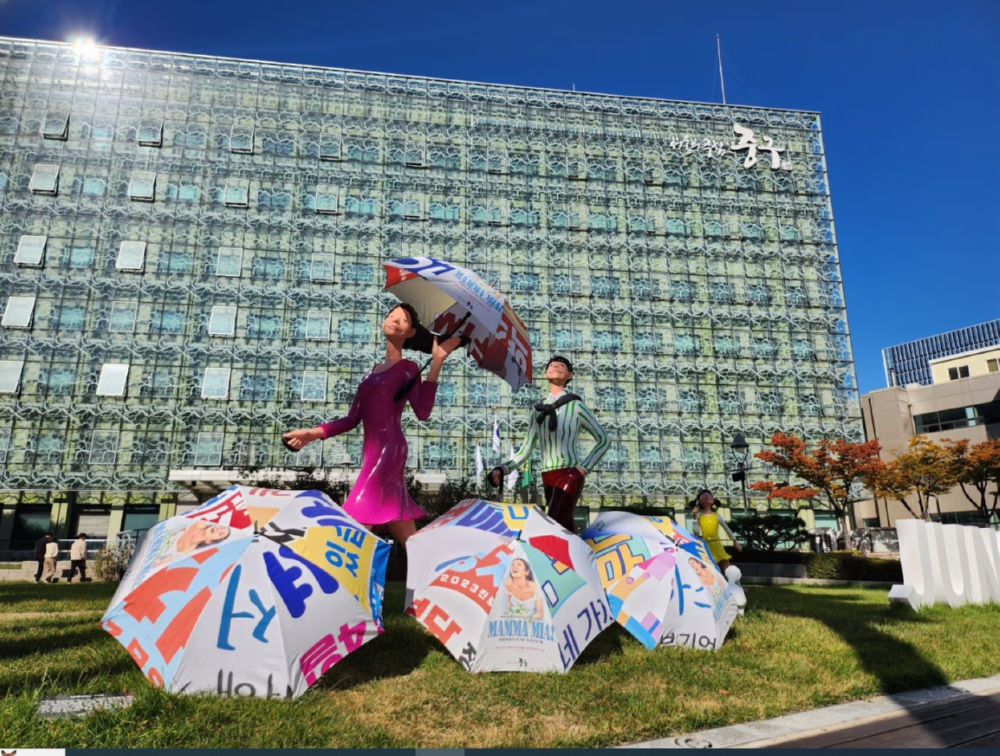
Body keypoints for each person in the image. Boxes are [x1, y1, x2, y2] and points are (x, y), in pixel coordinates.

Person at [283, 303, 460, 550]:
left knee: (358, 515)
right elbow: (352, 419)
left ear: (411, 333)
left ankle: (343, 575)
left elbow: (423, 412)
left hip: (390, 450)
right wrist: (313, 433)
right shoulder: (370, 374)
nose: (395, 320)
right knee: (407, 533)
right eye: (391, 315)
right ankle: (436, 567)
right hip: (371, 452)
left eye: (404, 320)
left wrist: (437, 362)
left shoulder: (408, 369)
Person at [489, 356, 609, 534]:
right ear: (545, 373)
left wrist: (582, 469)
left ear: (570, 375)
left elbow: (604, 439)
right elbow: (525, 450)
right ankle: (576, 559)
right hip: (548, 477)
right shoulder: (537, 410)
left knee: (552, 523)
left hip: (570, 473)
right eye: (552, 365)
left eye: (562, 366)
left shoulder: (576, 405)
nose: (556, 367)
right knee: (564, 527)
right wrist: (502, 469)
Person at [691, 489, 742, 573]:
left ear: (713, 500)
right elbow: (696, 532)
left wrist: (735, 541)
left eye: (709, 495)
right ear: (699, 501)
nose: (706, 496)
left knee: (727, 569)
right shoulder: (700, 517)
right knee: (711, 570)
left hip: (717, 546)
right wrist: (694, 516)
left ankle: (735, 584)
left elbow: (727, 528)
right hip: (706, 546)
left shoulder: (716, 516)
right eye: (703, 496)